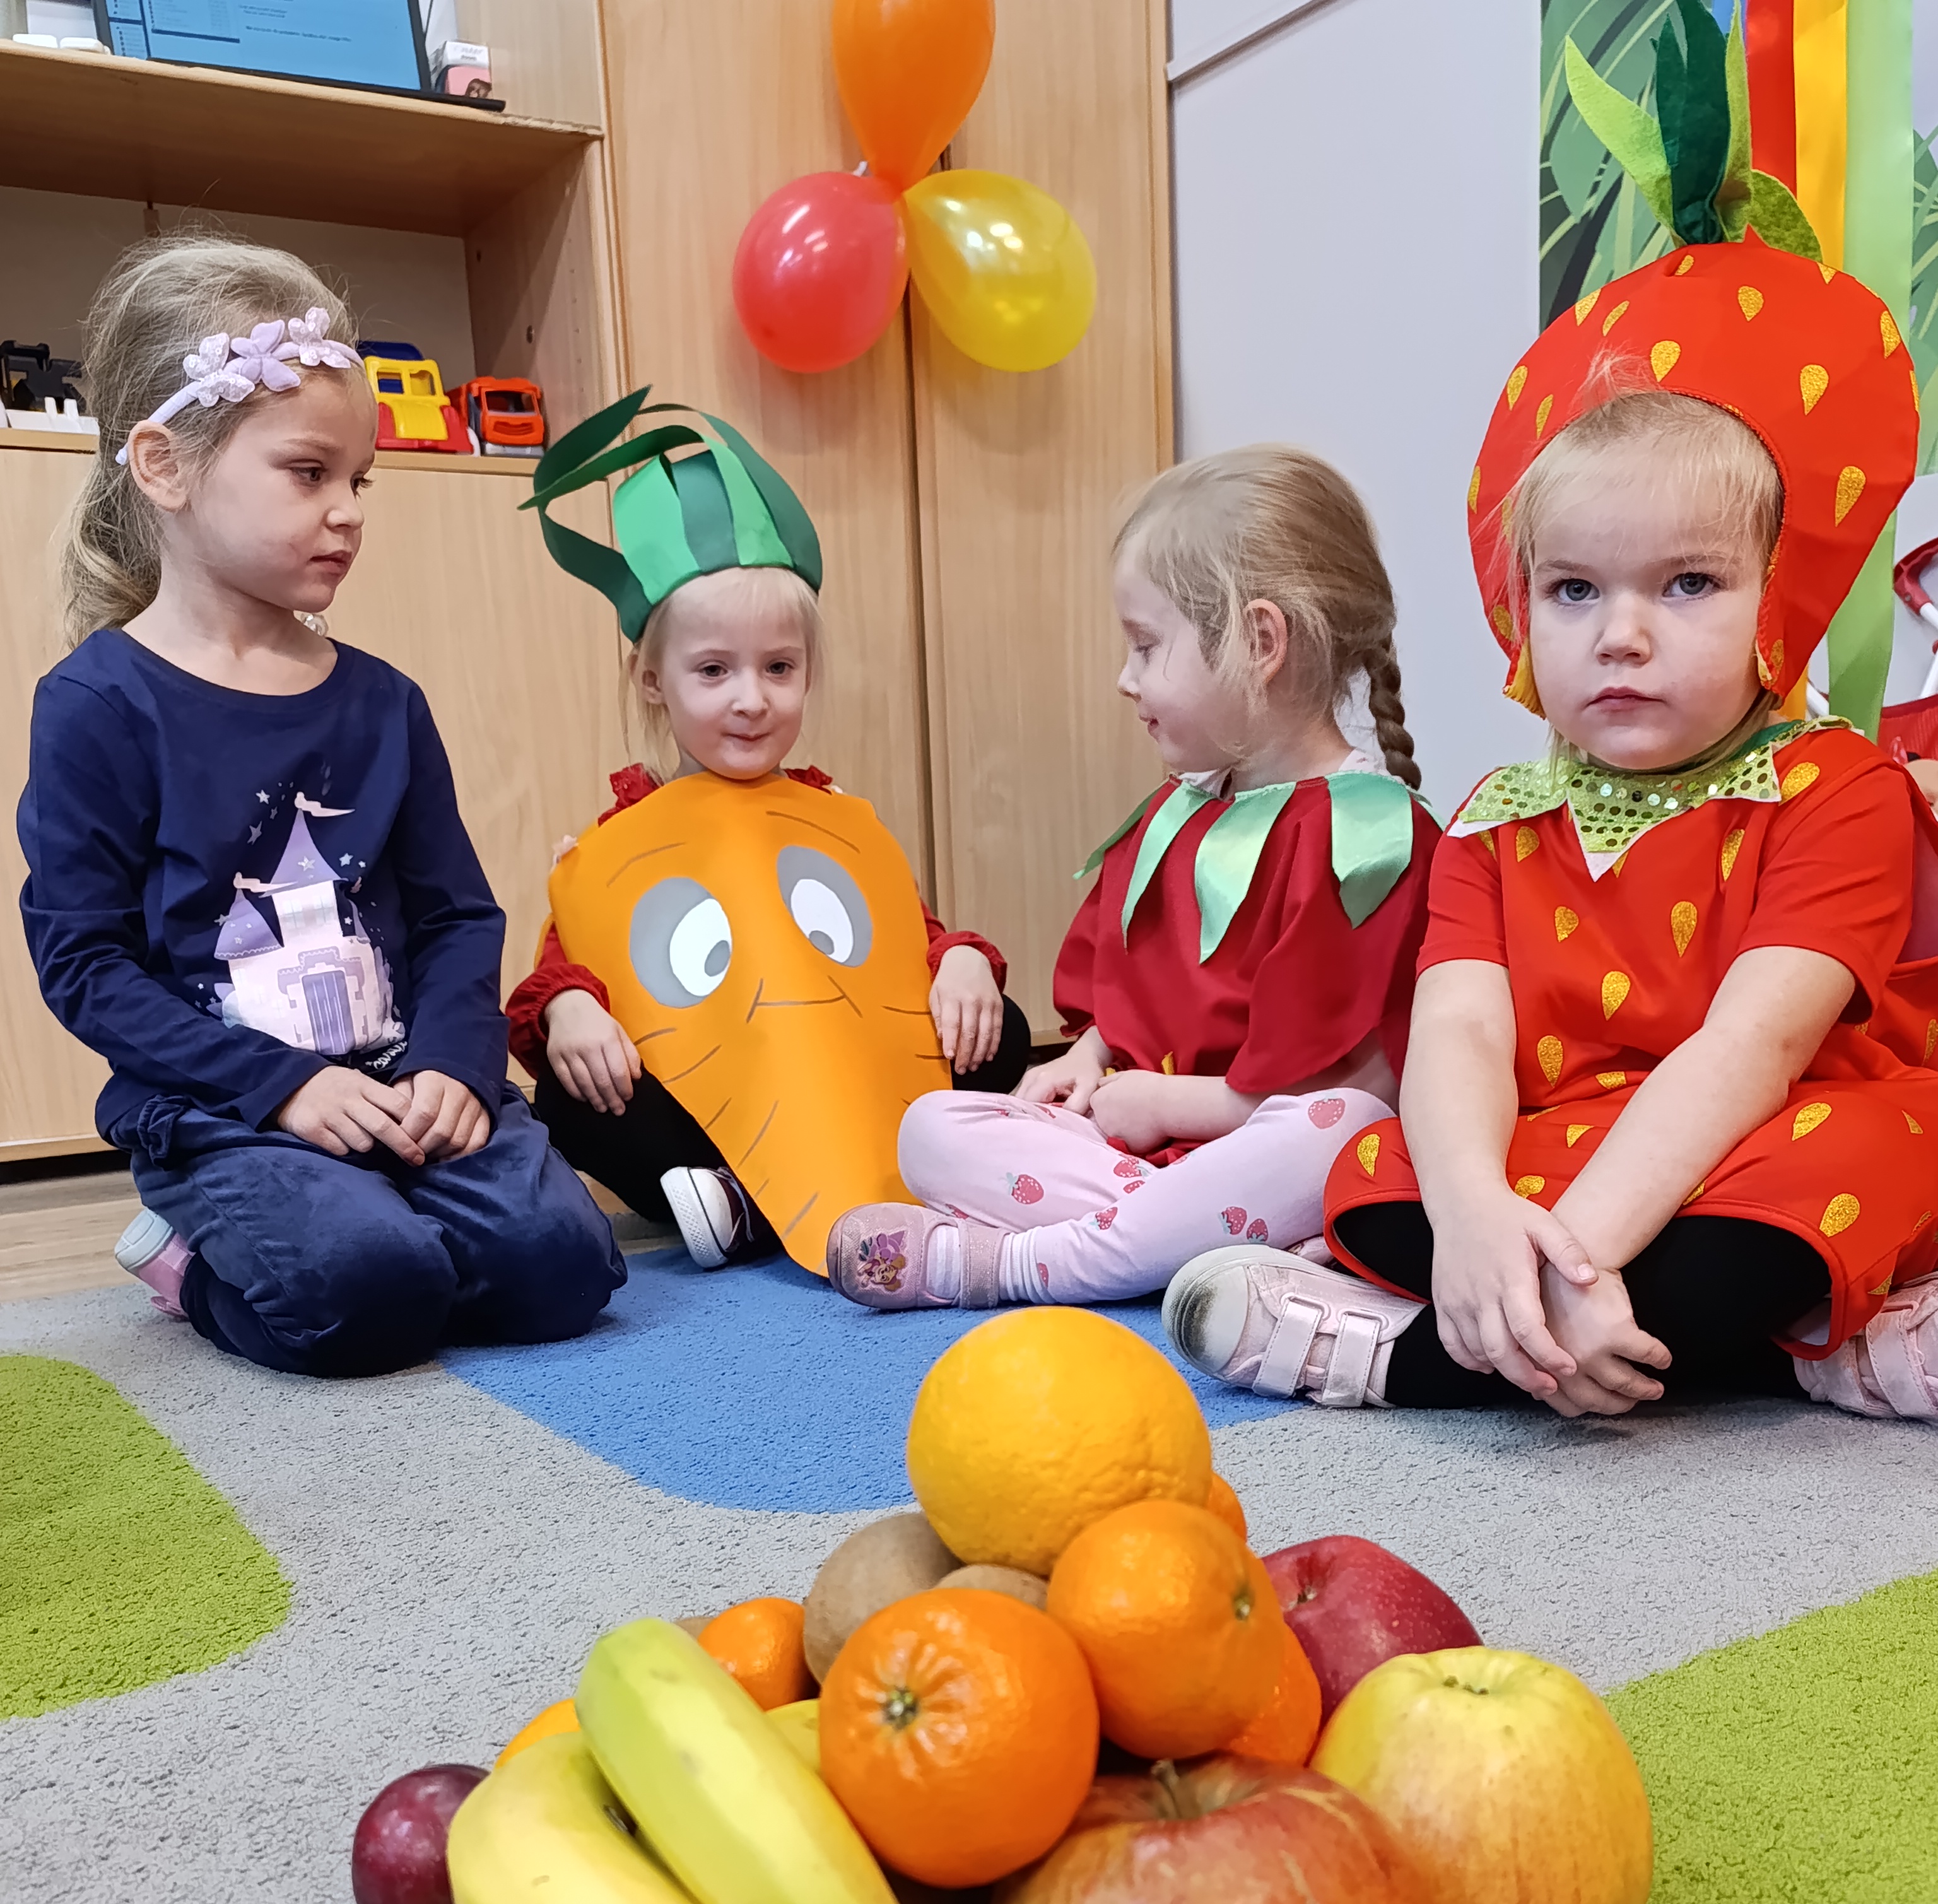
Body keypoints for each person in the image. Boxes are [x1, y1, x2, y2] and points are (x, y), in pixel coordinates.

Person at [1165, 212, 1938, 1416]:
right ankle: (1805, 1344)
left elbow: (1751, 1050)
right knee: (1378, 1166)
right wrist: (1476, 1212)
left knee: (1865, 1162)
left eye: (1689, 583)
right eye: (1574, 589)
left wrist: (1568, 1259)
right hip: (1572, 1140)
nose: (1621, 634)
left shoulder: (1838, 790)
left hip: (1773, 1131)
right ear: (1526, 609)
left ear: (1774, 599)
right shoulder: (1497, 817)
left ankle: (1404, 1361)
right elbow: (1461, 1038)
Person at [18, 236, 624, 1377]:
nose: (348, 512)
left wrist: (454, 1062)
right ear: (164, 466)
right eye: (309, 474)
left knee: (565, 1271)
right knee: (366, 1296)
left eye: (360, 481)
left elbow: (455, 916)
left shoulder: (385, 703)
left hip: (403, 1082)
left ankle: (394, 1228)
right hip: (226, 1108)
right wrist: (282, 1086)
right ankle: (191, 1262)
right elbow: (87, 965)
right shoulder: (98, 705)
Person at [825, 446, 1438, 1309]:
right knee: (931, 1126)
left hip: (1266, 1143)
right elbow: (1128, 1007)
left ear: (1261, 643)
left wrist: (1165, 1105)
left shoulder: (1369, 839)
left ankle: (1022, 1265)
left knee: (1341, 1130)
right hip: (1147, 1157)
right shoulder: (1177, 813)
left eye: (1147, 647)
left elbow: (1353, 1085)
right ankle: (1191, 1243)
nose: (1126, 678)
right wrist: (1088, 1057)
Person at [508, 389, 1028, 1272]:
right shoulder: (621, 840)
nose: (752, 699)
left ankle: (806, 1188)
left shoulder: (834, 819)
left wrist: (964, 963)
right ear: (652, 681)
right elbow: (563, 973)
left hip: (855, 1088)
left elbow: (908, 943)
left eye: (779, 667)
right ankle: (745, 1195)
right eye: (714, 670)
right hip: (714, 1114)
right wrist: (569, 1009)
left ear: (807, 671)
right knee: (571, 1088)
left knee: (1000, 1027)